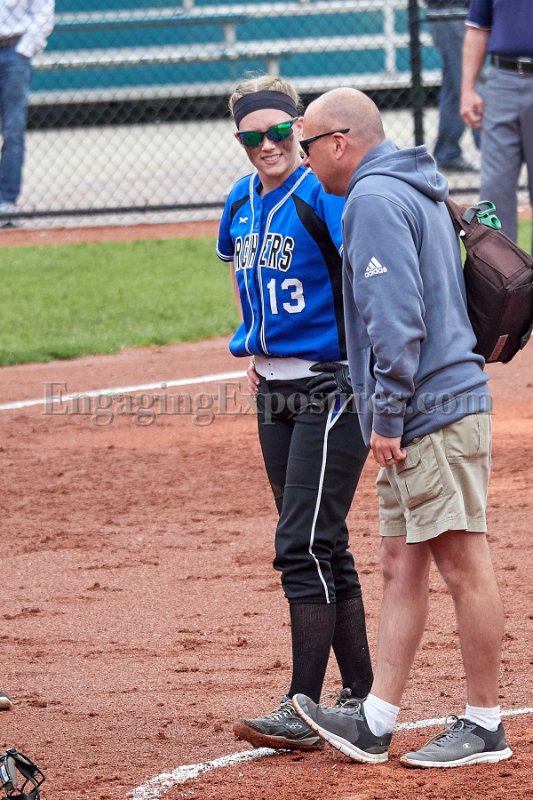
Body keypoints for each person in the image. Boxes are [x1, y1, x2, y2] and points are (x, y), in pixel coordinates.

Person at [289, 86, 512, 769]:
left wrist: (385, 416)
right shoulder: (410, 185)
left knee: (462, 563)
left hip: (428, 410)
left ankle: (484, 724)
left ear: (339, 142)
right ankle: (375, 718)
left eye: (306, 144)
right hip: (429, 406)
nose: (302, 158)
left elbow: (396, 323)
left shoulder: (374, 198)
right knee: (400, 562)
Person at [216, 75, 373, 752]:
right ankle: (359, 691)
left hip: (330, 387)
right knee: (322, 539)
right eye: (251, 136)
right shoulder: (240, 199)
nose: (267, 145)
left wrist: (361, 362)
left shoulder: (323, 194)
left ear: (300, 130)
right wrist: (256, 338)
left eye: (280, 131)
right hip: (274, 392)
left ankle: (301, 707)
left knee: (300, 543)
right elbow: (239, 271)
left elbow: (367, 277)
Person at [461, 0, 533, 252]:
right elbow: (477, 29)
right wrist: (467, 90)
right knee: (495, 189)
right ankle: (503, 274)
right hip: (502, 80)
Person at [0, 0, 54, 226]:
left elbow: (43, 11)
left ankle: (5, 202)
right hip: (16, 54)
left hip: (14, 50)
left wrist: (24, 50)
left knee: (13, 131)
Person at [425, 0, 480, 171]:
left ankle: (447, 152)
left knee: (454, 87)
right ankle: (494, 150)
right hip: (452, 11)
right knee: (472, 82)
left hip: (453, 12)